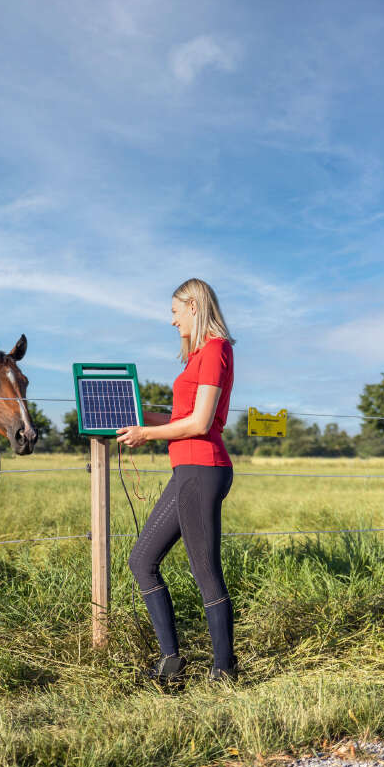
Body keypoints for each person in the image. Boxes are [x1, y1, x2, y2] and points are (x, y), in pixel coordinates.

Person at [116, 278, 236, 683]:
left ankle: (225, 671)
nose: (172, 322)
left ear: (194, 306)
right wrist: (135, 422)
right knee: (142, 560)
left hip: (202, 469)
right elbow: (178, 421)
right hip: (188, 471)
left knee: (205, 571)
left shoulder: (217, 350)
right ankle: (172, 663)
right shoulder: (197, 356)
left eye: (174, 312)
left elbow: (201, 423)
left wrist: (146, 436)